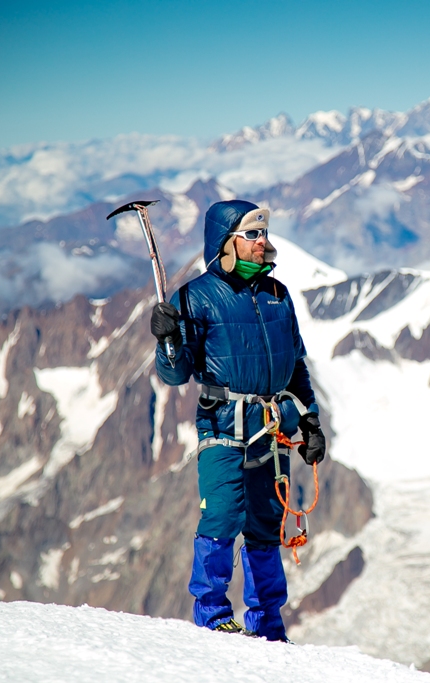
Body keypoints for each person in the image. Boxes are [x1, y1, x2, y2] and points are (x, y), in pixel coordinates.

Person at [149, 199, 326, 641]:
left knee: (266, 522)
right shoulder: (195, 297)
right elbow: (176, 373)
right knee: (223, 515)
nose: (263, 242)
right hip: (223, 422)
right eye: (252, 234)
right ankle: (211, 614)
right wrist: (168, 337)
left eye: (263, 233)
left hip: (270, 427)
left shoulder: (277, 295)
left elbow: (296, 366)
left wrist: (310, 423)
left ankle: (267, 622)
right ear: (226, 241)